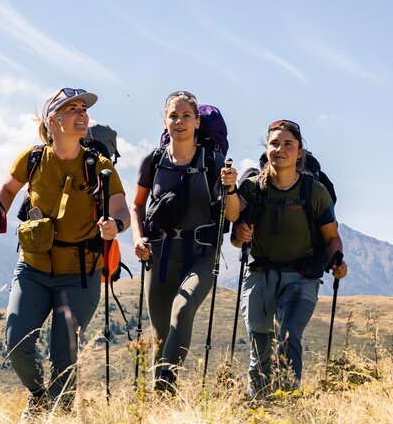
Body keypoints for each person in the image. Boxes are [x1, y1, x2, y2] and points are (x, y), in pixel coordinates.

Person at [0, 87, 130, 421]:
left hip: (80, 274)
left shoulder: (98, 165)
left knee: (63, 356)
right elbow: (7, 189)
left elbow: (122, 210)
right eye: (72, 108)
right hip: (32, 268)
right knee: (17, 343)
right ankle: (38, 397)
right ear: (53, 120)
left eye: (83, 109)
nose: (82, 114)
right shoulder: (32, 159)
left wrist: (115, 226)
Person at [129, 90, 239, 389]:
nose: (179, 121)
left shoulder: (214, 162)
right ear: (164, 121)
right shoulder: (153, 161)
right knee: (162, 334)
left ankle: (165, 383)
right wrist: (138, 238)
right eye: (173, 115)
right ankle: (161, 401)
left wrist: (231, 187)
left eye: (186, 116)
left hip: (200, 255)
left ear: (197, 122)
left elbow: (231, 215)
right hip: (160, 255)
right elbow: (137, 205)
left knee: (183, 307)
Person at [232, 120, 348, 397]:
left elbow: (331, 237)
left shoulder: (314, 191)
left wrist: (337, 261)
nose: (280, 149)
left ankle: (288, 400)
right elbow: (236, 240)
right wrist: (240, 233)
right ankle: (258, 402)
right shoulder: (251, 189)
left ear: (299, 153)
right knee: (260, 339)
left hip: (302, 277)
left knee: (288, 333)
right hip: (260, 272)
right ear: (267, 149)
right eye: (274, 144)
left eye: (288, 145)